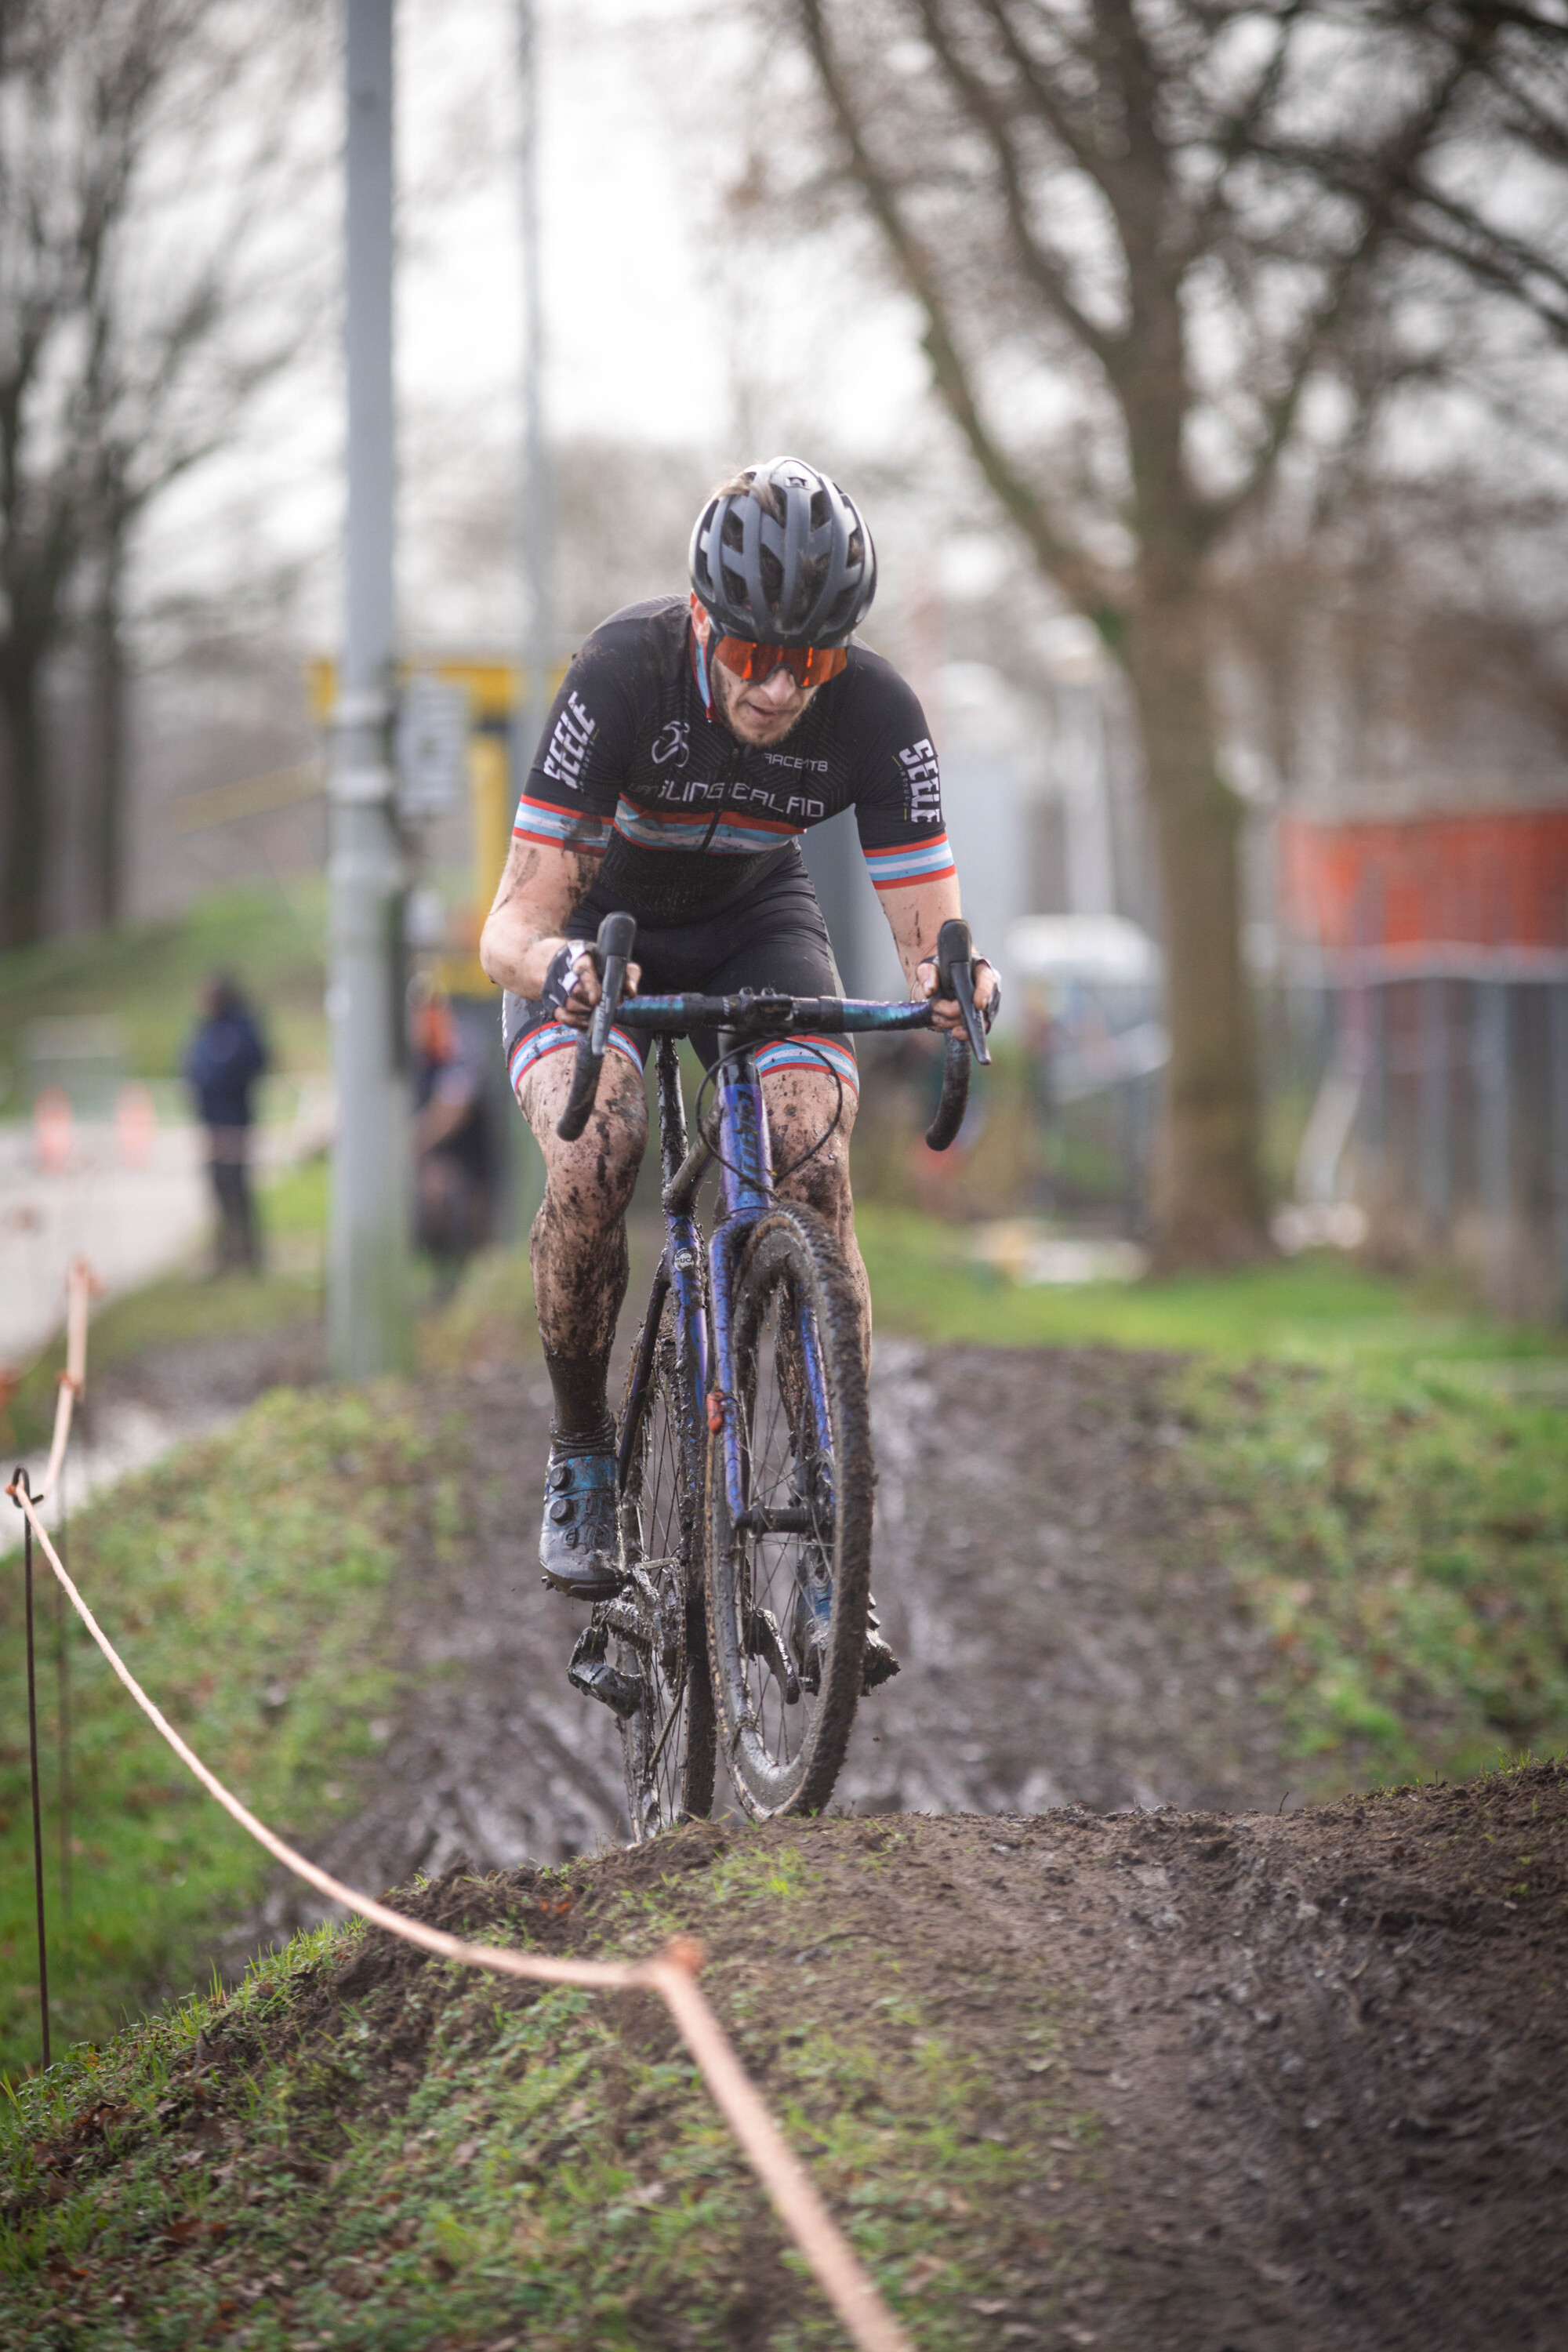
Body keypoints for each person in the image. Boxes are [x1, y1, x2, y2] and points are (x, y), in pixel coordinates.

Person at [478, 455, 997, 1609]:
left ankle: (828, 1511)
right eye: (754, 653)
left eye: (808, 660)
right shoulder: (621, 675)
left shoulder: (877, 714)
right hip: (597, 937)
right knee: (597, 1148)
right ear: (703, 619)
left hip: (756, 920)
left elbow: (934, 943)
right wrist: (561, 969)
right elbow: (509, 927)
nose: (777, 688)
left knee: (810, 1149)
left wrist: (964, 982)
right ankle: (582, 1454)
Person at [412, 987, 495, 1288]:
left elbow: (452, 1108)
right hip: (435, 1162)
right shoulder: (417, 1058)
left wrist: (407, 1146)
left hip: (469, 1166)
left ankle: (461, 1286)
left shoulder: (458, 1044)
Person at [184, 975, 268, 1276]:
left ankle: (248, 1254)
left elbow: (255, 1062)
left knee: (238, 1189)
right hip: (211, 1123)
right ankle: (224, 1253)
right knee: (217, 1190)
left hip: (235, 1122)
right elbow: (191, 1068)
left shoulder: (241, 1028)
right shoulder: (204, 1029)